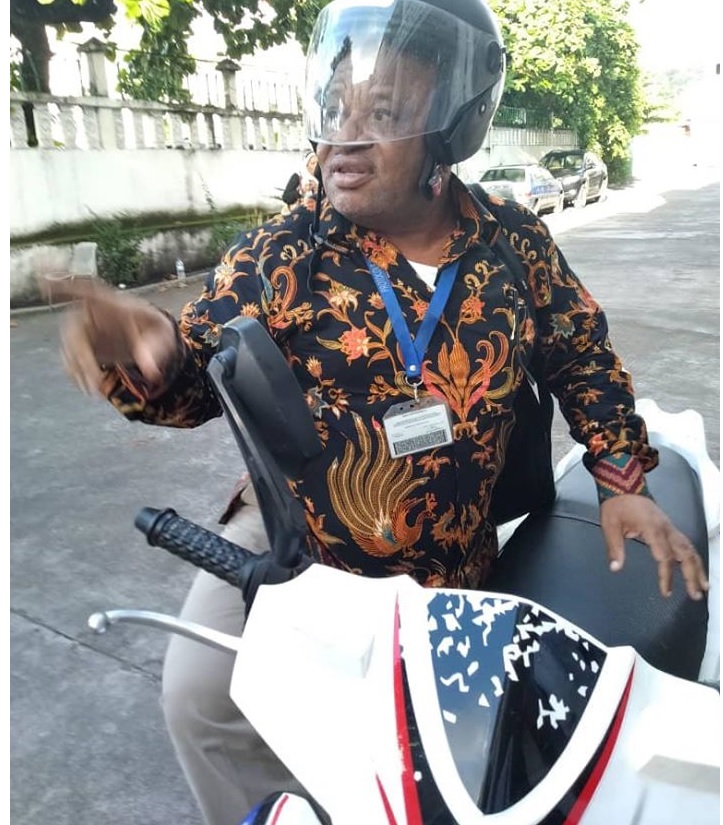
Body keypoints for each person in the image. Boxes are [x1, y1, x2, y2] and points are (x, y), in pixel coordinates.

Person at [48, 0, 709, 823]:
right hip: (301, 536)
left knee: (450, 753)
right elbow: (193, 384)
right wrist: (144, 352)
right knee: (200, 695)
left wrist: (620, 479)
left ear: (453, 126)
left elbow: (579, 351)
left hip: (450, 554)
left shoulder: (512, 243)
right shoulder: (279, 256)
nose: (345, 138)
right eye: (337, 107)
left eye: (384, 113)